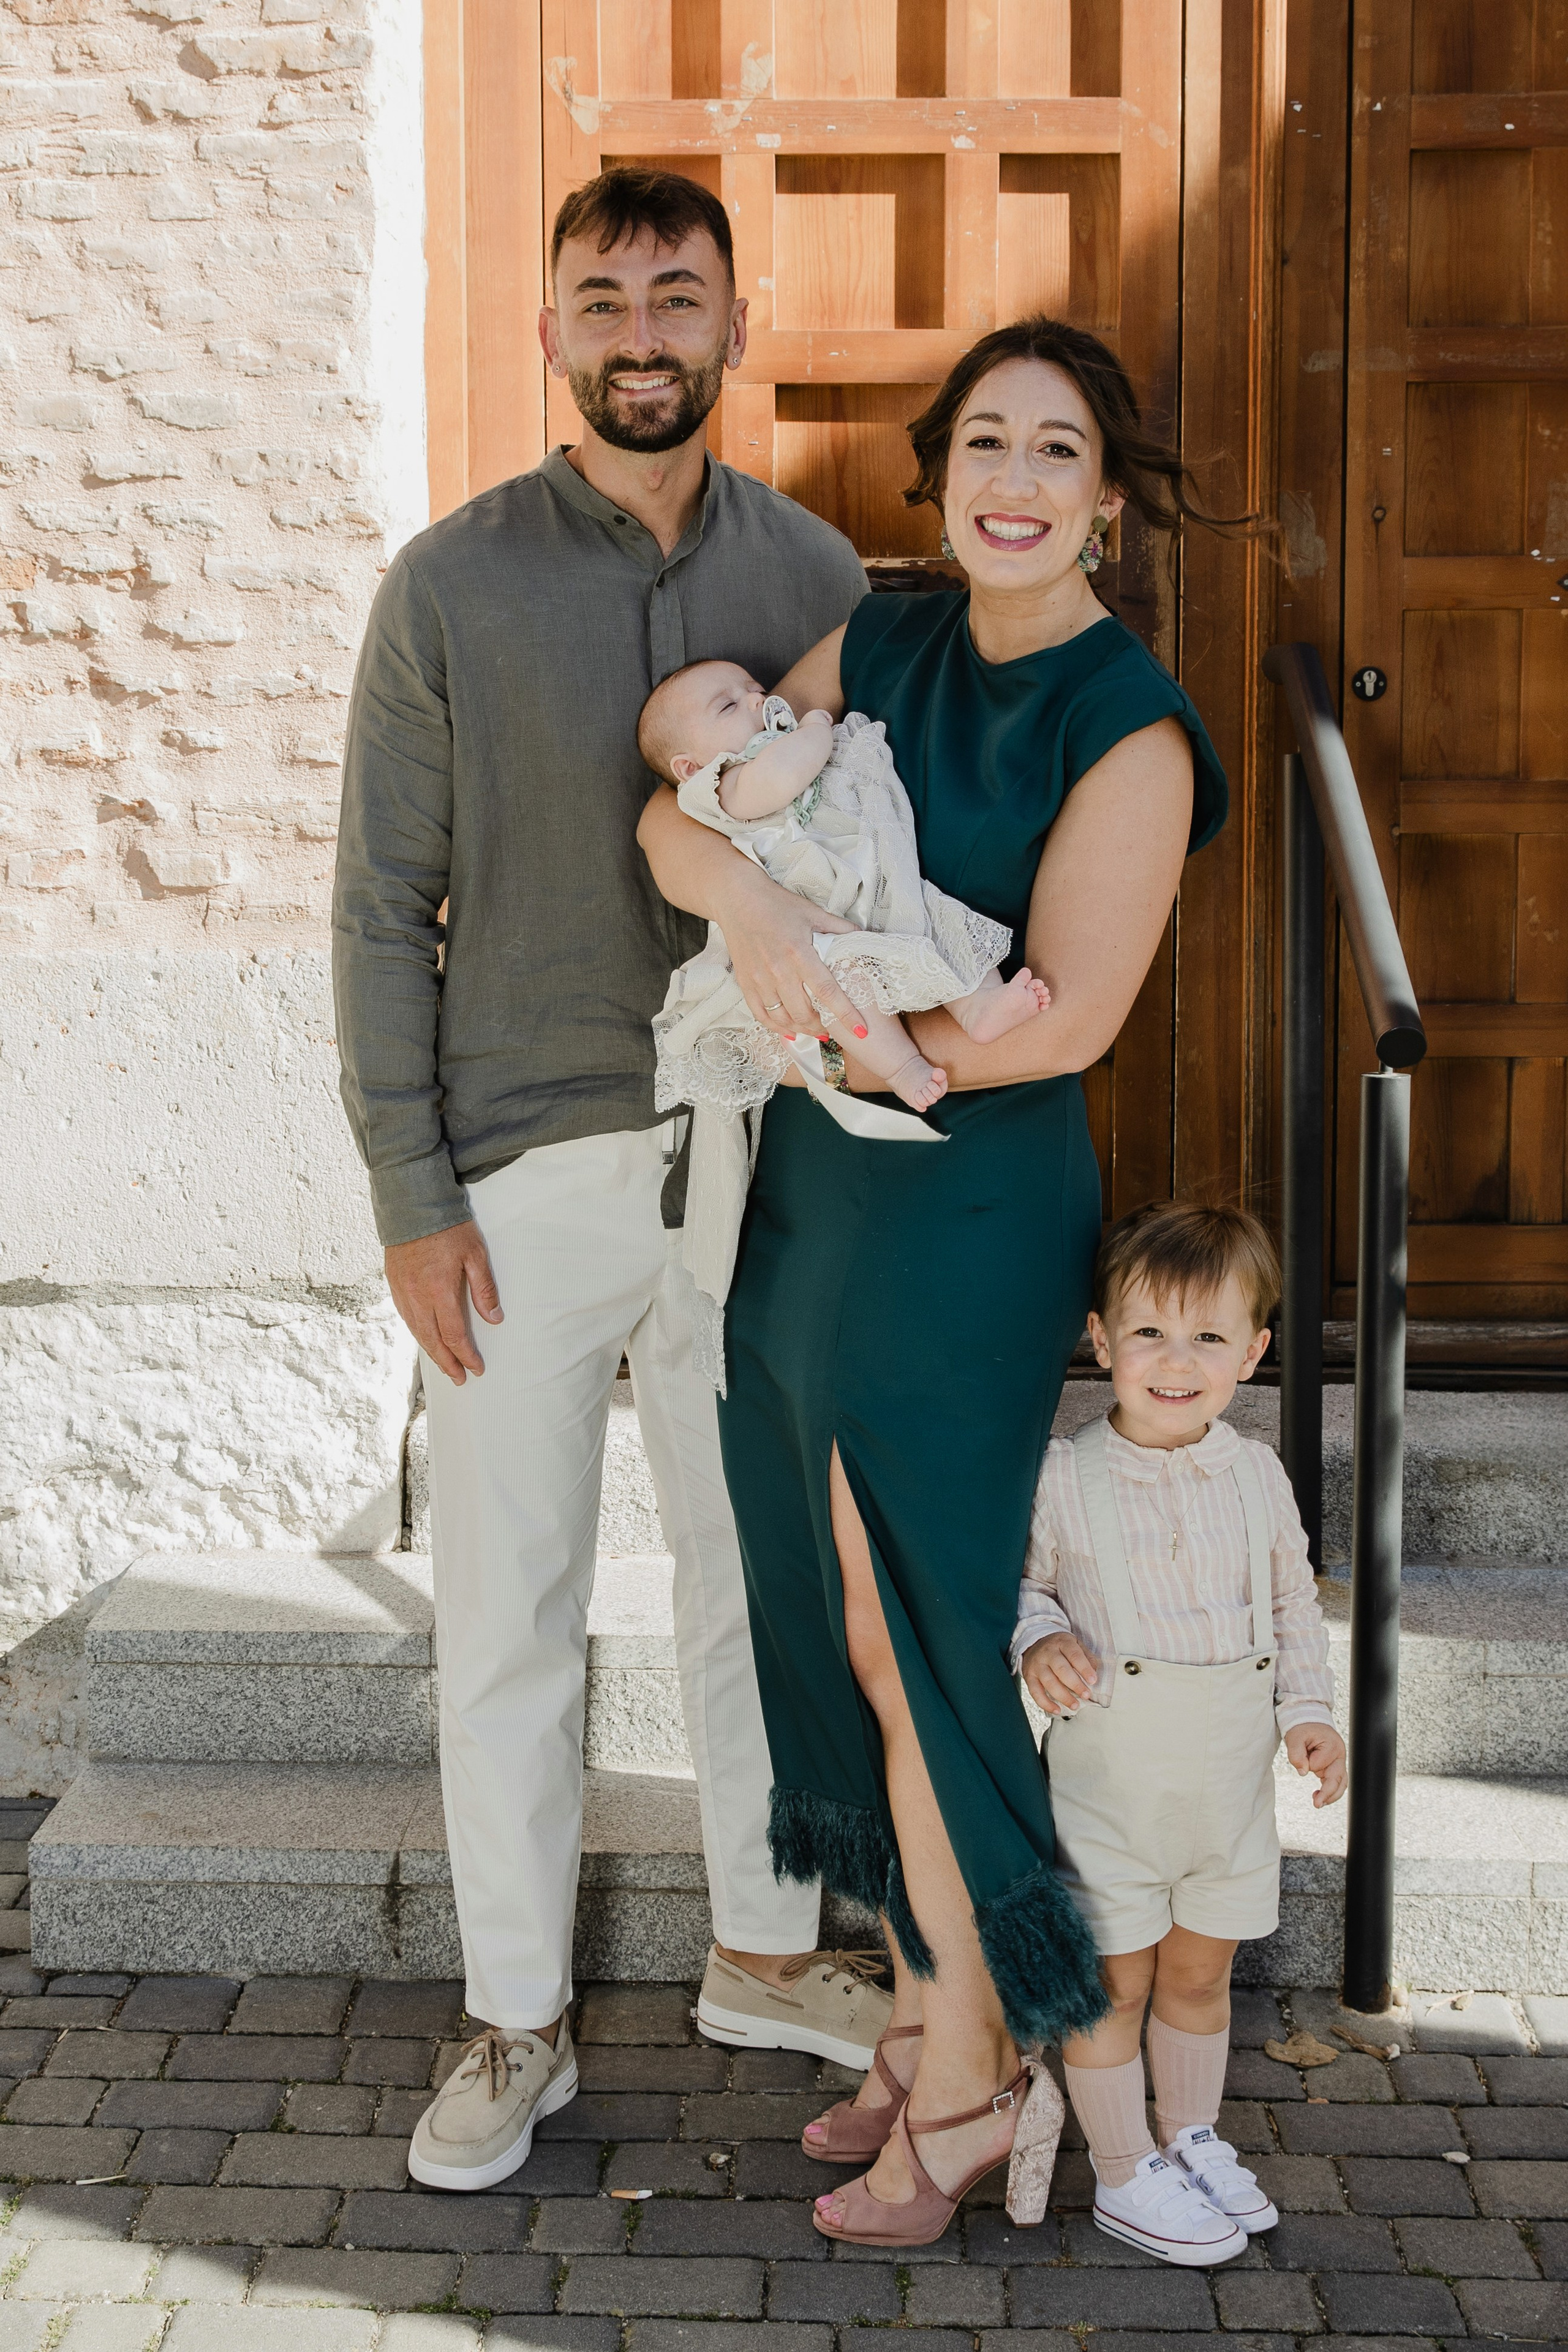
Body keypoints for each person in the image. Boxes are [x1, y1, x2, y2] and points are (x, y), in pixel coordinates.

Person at [639, 315, 1251, 2245]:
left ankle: (982, 2084)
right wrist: (753, 906)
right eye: (984, 441)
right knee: (829, 1601)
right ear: (942, 474)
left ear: (1110, 499)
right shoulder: (878, 645)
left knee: (930, 1643)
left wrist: (833, 1030)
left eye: (1056, 450)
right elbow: (686, 813)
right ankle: (916, 2009)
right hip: (821, 1193)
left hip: (971, 1207)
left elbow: (1061, 1021)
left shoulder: (1128, 719)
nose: (1013, 479)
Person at [332, 164, 889, 2195]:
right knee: (512, 1609)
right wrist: (412, 1189)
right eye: (605, 296)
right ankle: (513, 2012)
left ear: (737, 329)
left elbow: (864, 875)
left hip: (760, 1165)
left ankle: (762, 1947)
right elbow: (383, 904)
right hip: (520, 1165)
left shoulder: (818, 577)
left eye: (679, 294)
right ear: (551, 331)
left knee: (752, 1579)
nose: (643, 331)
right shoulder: (452, 586)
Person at [1017, 1201, 1345, 2264]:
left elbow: (1293, 1605)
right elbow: (1016, 1587)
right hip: (1113, 1783)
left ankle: (1187, 2136)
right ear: (1103, 1340)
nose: (1177, 1360)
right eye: (1150, 1332)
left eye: (1208, 1337)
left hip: (1227, 1787)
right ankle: (1120, 2173)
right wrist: (1038, 1640)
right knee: (1117, 1979)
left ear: (1251, 1353)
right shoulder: (1069, 1475)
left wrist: (1308, 1714)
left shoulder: (1256, 1474)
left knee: (1201, 1973)